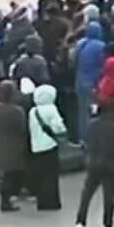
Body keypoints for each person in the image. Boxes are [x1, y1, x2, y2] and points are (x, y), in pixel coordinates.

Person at [74, 104, 114, 227]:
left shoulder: (90, 127)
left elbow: (84, 144)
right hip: (110, 165)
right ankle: (108, 224)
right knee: (109, 197)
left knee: (87, 194)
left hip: (93, 164)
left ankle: (79, 223)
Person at [0, 79, 32, 211]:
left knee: (5, 172)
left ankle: (6, 198)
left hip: (0, 142)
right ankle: (8, 199)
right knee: (13, 173)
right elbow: (22, 127)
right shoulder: (17, 110)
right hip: (15, 143)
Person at [26, 83, 67, 211]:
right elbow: (58, 126)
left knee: (40, 175)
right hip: (50, 145)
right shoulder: (51, 109)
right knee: (51, 176)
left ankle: (42, 201)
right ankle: (52, 202)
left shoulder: (33, 111)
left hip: (36, 146)